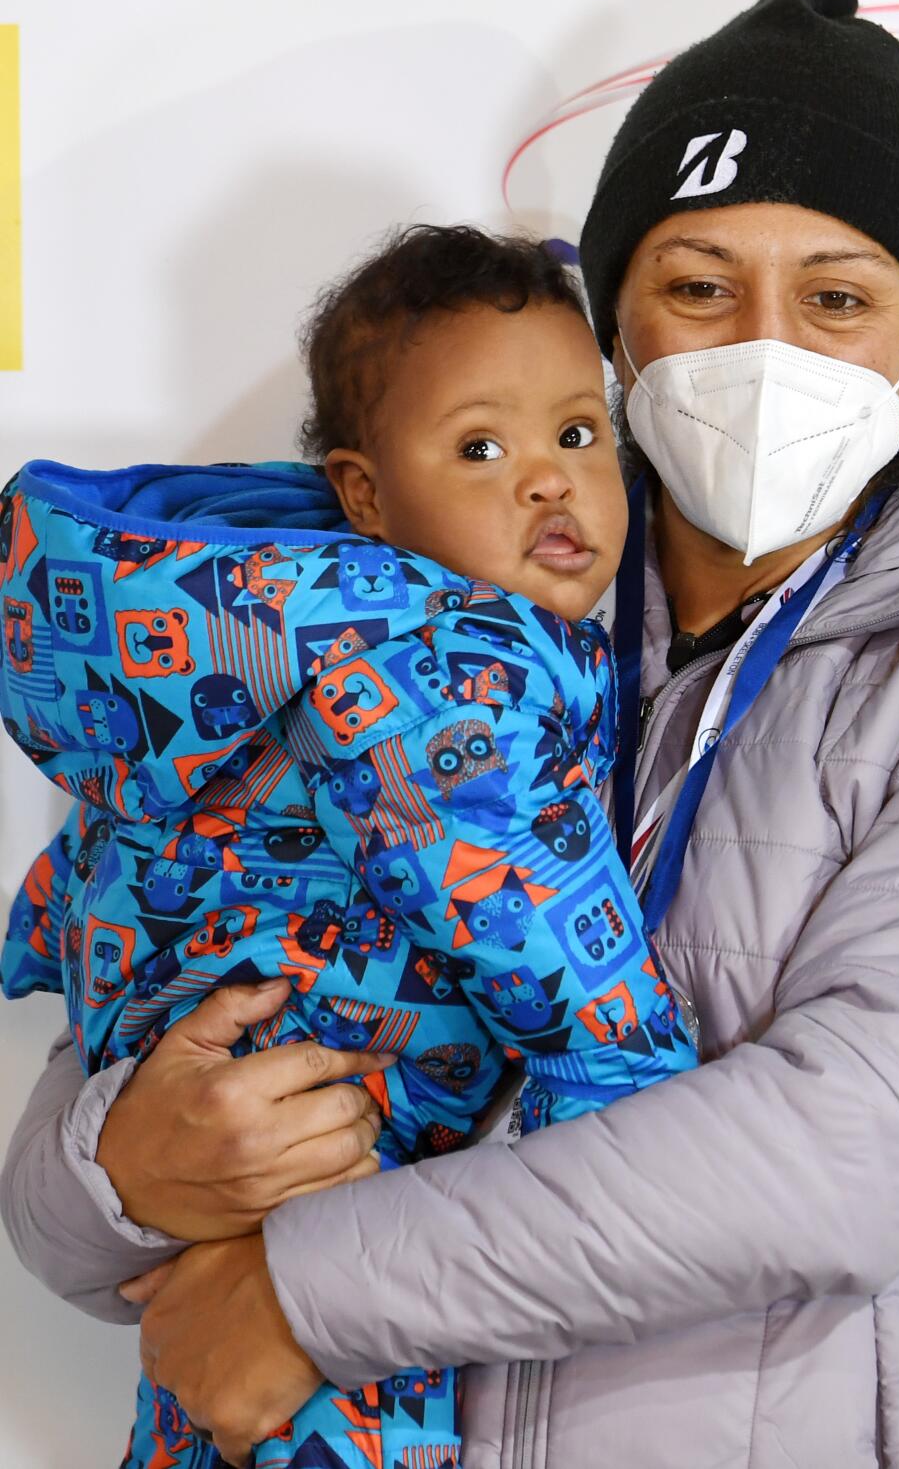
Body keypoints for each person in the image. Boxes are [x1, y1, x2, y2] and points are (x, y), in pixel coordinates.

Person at [4, 0, 899, 1469]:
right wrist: (110, 1171)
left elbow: (863, 1151)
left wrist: (311, 1296)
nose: (765, 350)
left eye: (837, 297)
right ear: (616, 323)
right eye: (699, 286)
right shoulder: (418, 599)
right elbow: (133, 1028)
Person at [0, 226, 695, 1469]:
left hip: (220, 1119)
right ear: (366, 493)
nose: (548, 480)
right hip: (329, 1154)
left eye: (579, 435)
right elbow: (537, 924)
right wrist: (635, 1082)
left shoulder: (267, 619)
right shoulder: (445, 664)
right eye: (482, 448)